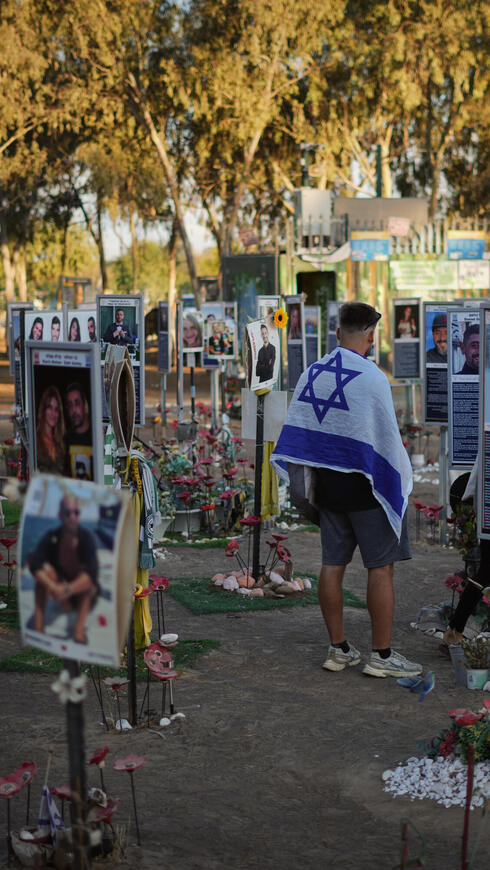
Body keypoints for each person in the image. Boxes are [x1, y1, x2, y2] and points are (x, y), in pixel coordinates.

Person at [271, 302, 421, 678]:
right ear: (371, 336)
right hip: (370, 490)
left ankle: (337, 650)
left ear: (338, 333)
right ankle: (381, 657)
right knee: (380, 568)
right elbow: (386, 442)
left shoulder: (312, 373)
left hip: (328, 489)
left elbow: (302, 432)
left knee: (332, 565)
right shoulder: (373, 378)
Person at [28, 495, 99, 644]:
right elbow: (35, 563)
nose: (72, 517)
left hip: (78, 594)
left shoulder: (86, 538)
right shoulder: (52, 537)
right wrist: (53, 586)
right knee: (44, 571)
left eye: (76, 513)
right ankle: (38, 628)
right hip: (59, 590)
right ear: (60, 515)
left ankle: (78, 632)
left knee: (89, 586)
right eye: (68, 513)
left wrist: (68, 589)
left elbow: (92, 573)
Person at [64, 382, 93, 480]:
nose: (74, 410)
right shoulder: (65, 440)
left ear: (85, 406)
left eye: (77, 403)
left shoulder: (96, 436)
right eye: (70, 405)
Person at [36, 386, 66, 473]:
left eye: (56, 409)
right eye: (50, 407)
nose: (53, 413)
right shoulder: (35, 440)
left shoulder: (61, 442)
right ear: (43, 410)